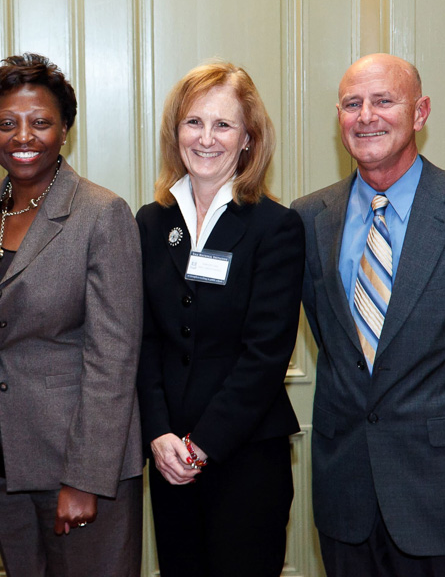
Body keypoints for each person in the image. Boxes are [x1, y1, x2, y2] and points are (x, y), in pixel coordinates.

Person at [292, 53, 445, 576]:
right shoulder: (308, 219)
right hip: (349, 497)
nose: (366, 116)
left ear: (420, 112)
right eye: (352, 104)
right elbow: (334, 341)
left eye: (384, 101)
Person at [0, 53, 144, 577]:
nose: (23, 135)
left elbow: (115, 355)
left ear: (65, 129)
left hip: (79, 461)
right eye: (6, 123)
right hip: (1, 459)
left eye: (41, 122)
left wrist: (86, 477)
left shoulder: (101, 213)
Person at [135, 61, 304, 576]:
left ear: (249, 139)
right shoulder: (151, 221)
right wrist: (160, 433)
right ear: (175, 132)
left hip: (246, 457)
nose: (206, 138)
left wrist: (202, 444)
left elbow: (266, 354)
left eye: (224, 125)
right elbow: (142, 340)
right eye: (193, 122)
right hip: (169, 460)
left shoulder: (276, 227)